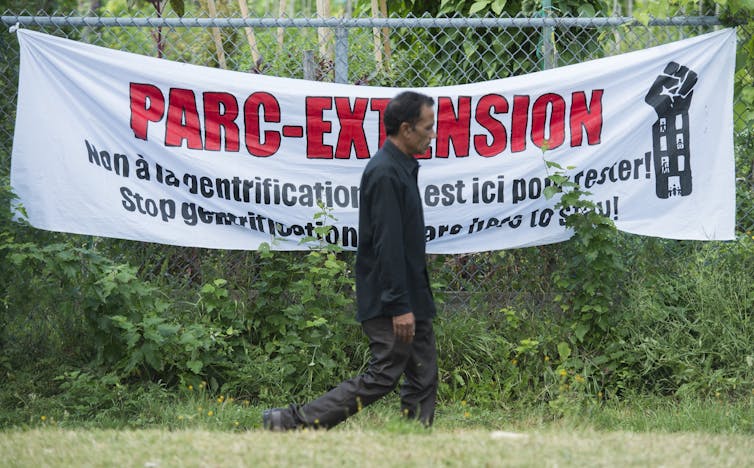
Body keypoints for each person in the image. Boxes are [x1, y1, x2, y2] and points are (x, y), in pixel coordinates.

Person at [262, 91, 439, 430]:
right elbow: (387, 246)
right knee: (384, 374)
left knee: (422, 373)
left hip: (411, 294)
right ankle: (291, 422)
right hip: (393, 300)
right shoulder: (385, 173)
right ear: (406, 129)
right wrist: (400, 306)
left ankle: (415, 440)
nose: (433, 134)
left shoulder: (401, 168)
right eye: (428, 127)